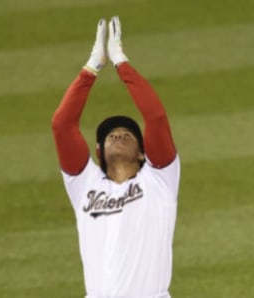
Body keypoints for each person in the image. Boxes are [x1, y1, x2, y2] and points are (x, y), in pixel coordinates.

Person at [51, 16, 180, 298]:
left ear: (143, 151)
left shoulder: (160, 179)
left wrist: (121, 62)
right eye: (110, 135)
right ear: (98, 152)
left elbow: (155, 118)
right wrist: (92, 68)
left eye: (127, 134)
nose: (118, 136)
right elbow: (62, 125)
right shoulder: (84, 185)